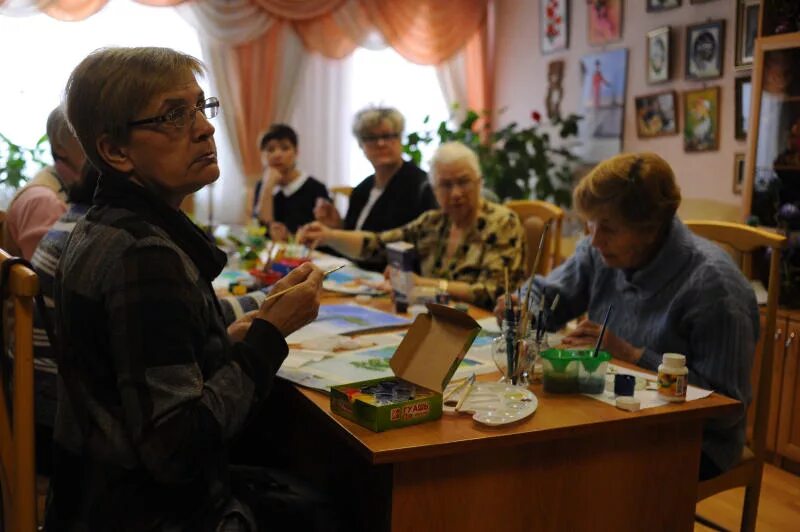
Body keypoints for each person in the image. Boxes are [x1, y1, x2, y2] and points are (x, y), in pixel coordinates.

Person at [45, 46, 324, 532]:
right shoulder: (144, 256)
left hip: (92, 494)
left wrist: (222, 336)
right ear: (115, 151)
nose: (205, 127)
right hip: (150, 512)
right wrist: (269, 335)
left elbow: (131, 364)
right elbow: (180, 449)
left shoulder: (102, 226)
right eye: (175, 115)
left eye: (201, 106)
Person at [496, 152, 758, 480]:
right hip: (613, 412)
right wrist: (523, 305)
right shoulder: (600, 250)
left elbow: (726, 408)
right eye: (591, 224)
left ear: (651, 230)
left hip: (692, 442)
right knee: (522, 445)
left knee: (564, 469)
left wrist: (632, 354)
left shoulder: (713, 287)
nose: (594, 239)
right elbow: (549, 296)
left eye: (608, 228)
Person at [300, 141, 525, 310]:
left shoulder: (503, 223)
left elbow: (492, 291)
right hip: (433, 317)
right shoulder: (433, 222)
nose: (456, 193)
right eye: (446, 185)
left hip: (479, 322)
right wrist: (328, 235)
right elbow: (378, 244)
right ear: (434, 190)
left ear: (479, 182)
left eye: (463, 182)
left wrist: (420, 283)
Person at [313, 106, 437, 271]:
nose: (380, 143)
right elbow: (355, 239)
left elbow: (409, 247)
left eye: (387, 136)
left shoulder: (421, 186)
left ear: (400, 139)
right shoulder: (362, 189)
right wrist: (336, 226)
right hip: (353, 276)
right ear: (361, 144)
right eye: (371, 138)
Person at [2, 105, 86, 259]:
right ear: (60, 147)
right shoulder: (43, 202)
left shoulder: (57, 180)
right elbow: (53, 279)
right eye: (85, 135)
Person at [253, 124, 330, 241]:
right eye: (270, 149)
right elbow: (262, 231)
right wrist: (267, 188)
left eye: (285, 148)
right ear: (262, 155)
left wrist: (289, 237)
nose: (277, 155)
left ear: (296, 152)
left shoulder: (316, 188)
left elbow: (323, 234)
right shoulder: (262, 186)